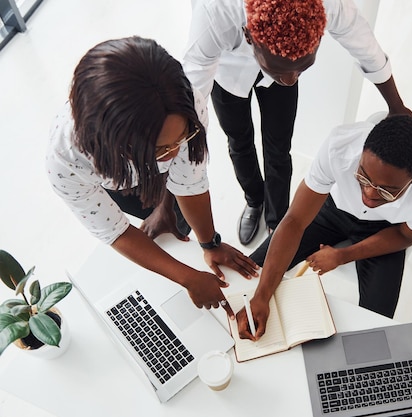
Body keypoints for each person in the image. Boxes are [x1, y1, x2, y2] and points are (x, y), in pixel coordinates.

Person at [46, 36, 259, 317]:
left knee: (177, 222)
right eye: (159, 150)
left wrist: (210, 243)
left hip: (144, 166)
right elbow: (115, 230)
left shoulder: (187, 103)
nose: (172, 155)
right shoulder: (66, 160)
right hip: (117, 182)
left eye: (181, 138)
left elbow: (189, 181)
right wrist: (188, 277)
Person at [183, 0, 412, 246]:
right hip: (227, 75)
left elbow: (366, 47)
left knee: (279, 148)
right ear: (248, 35)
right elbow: (189, 104)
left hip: (280, 64)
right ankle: (254, 200)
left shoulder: (328, 6)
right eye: (284, 71)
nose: (292, 81)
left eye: (303, 68)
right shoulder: (215, 12)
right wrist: (175, 190)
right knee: (238, 142)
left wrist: (396, 106)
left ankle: (276, 218)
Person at [237, 115, 412, 340]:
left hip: (384, 230)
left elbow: (404, 235)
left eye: (387, 191)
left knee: (376, 325)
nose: (369, 195)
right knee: (250, 275)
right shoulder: (339, 146)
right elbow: (295, 220)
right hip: (331, 210)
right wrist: (261, 296)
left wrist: (343, 256)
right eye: (363, 177)